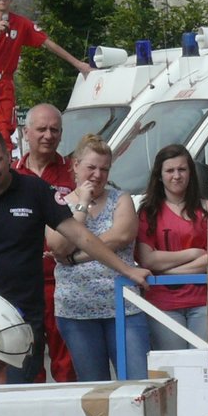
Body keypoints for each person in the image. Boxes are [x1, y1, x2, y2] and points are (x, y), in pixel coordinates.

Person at [0, 129, 150, 384]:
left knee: (19, 392)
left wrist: (127, 270)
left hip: (24, 316)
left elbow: (81, 237)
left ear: (9, 157)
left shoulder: (35, 190)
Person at [50, 135, 148, 381]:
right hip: (77, 310)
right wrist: (82, 204)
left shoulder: (120, 198)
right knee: (95, 388)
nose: (97, 175)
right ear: (75, 165)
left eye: (104, 169)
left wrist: (75, 257)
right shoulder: (58, 202)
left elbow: (121, 235)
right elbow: (59, 247)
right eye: (91, 167)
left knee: (138, 381)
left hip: (123, 306)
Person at [0, 0, 92, 145]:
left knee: (5, 130)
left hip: (5, 80)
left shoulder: (20, 23)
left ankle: (6, 166)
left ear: (11, 0)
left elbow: (47, 42)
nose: (3, 0)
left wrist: (78, 64)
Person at [14, 103, 77, 383]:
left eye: (54, 129)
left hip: (65, 280)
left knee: (68, 365)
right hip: (23, 284)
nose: (48, 135)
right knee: (28, 363)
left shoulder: (73, 173)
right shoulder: (10, 177)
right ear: (26, 132)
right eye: (41, 129)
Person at [135, 143, 208, 350]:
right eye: (170, 170)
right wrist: (193, 252)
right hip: (163, 305)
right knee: (173, 368)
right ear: (159, 175)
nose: (176, 176)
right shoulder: (147, 212)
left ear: (190, 173)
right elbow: (148, 260)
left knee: (202, 365)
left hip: (203, 302)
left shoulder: (207, 210)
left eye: (182, 169)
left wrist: (166, 270)